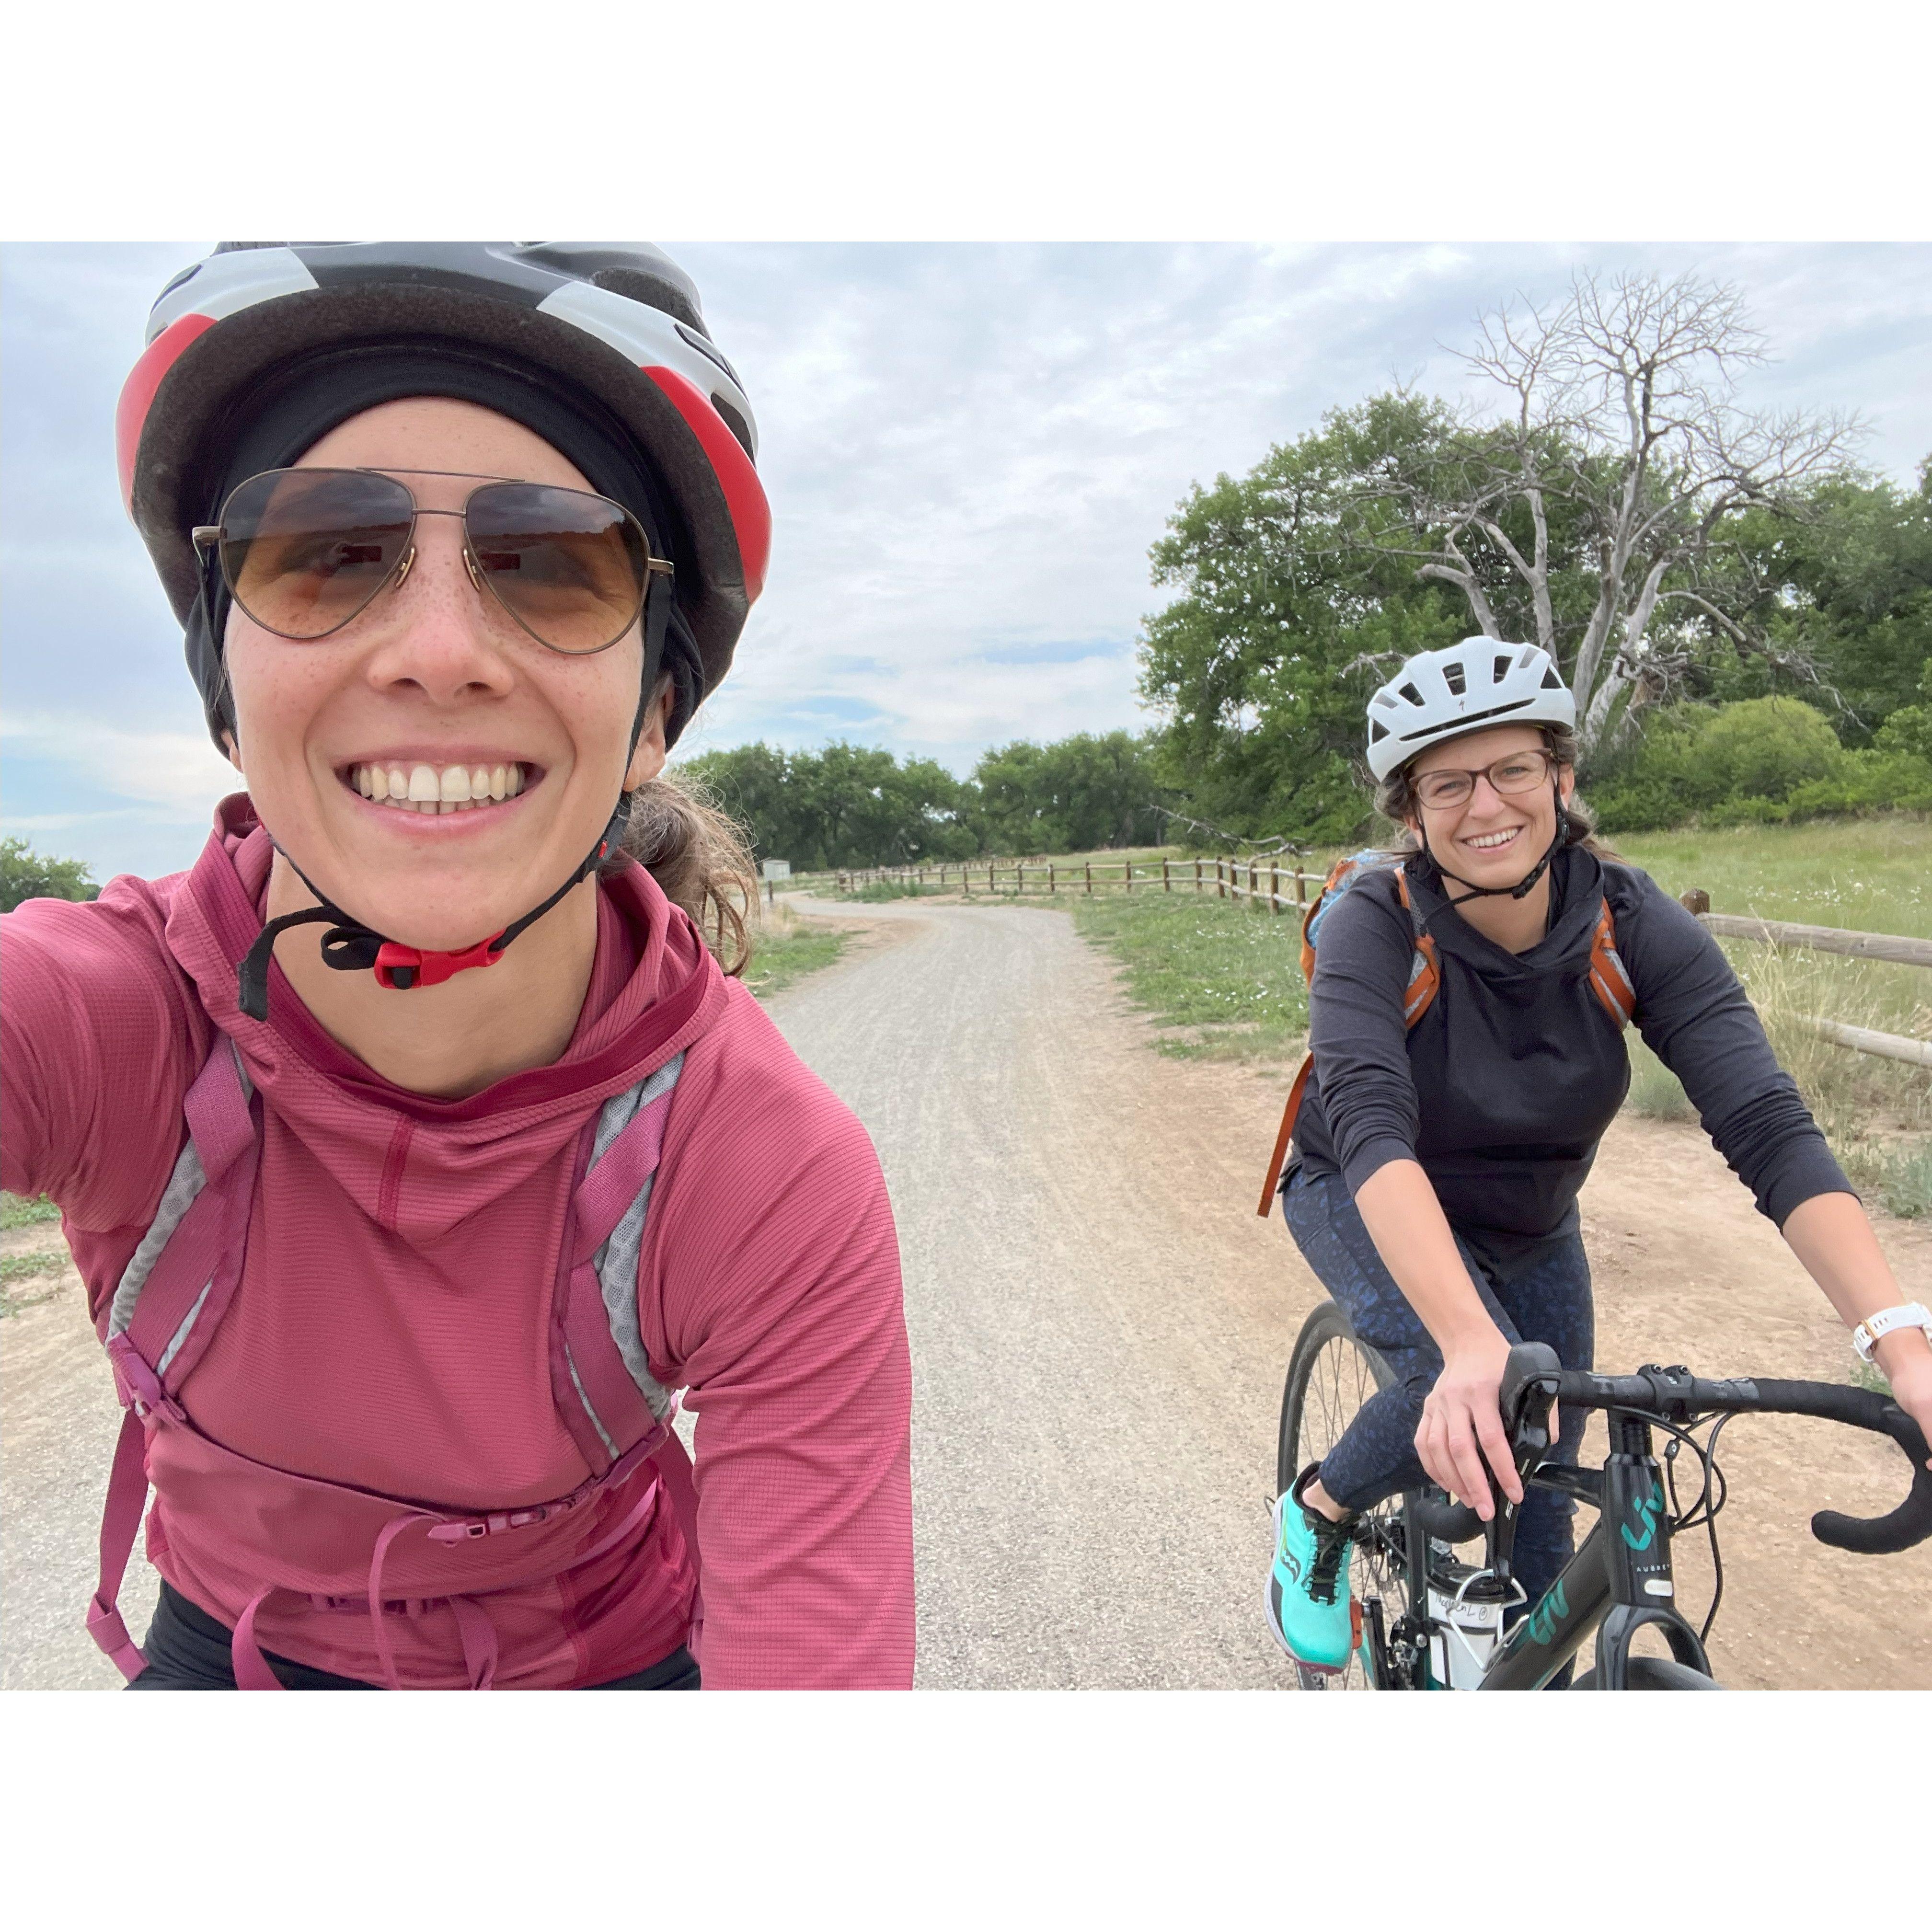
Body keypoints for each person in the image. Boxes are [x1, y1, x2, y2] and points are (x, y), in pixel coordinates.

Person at [0, 243, 915, 1690]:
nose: (438, 650)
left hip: (606, 1666)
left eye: (556, 566)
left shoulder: (760, 1163)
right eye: (329, 554)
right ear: (223, 686)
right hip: (232, 1646)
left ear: (653, 715)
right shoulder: (98, 1019)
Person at [1265, 636, 1932, 1675]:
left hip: (1531, 1222)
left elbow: (1765, 1122)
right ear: (1410, 813)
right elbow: (1368, 1123)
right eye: (1448, 784)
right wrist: (1470, 1345)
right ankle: (1320, 1511)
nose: (1486, 806)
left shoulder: (1630, 921)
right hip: (1364, 1188)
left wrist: (1903, 1345)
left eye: (1514, 769)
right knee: (1466, 1373)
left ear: (1562, 777)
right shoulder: (1374, 923)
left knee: (1540, 1508)